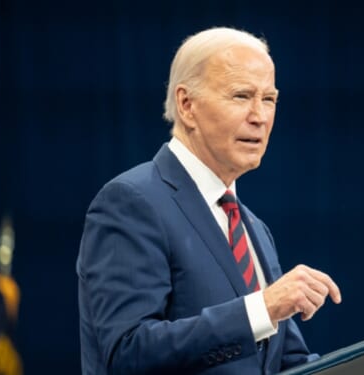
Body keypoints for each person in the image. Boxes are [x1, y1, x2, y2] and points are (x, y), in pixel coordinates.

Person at [77, 27, 342, 374]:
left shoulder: (255, 229)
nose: (260, 116)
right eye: (241, 96)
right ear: (187, 105)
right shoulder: (132, 202)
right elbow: (128, 353)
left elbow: (286, 365)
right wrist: (261, 308)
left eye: (269, 99)